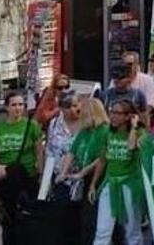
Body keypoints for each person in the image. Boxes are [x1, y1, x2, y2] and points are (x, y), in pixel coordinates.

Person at [0, 91, 44, 245]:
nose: (18, 108)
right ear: (6, 108)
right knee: (8, 220)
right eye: (14, 105)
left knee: (27, 219)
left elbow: (39, 151)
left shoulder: (32, 126)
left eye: (20, 104)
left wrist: (40, 172)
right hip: (5, 179)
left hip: (27, 177)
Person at [88, 99, 144, 245]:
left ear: (128, 116)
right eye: (111, 112)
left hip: (130, 185)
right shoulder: (107, 132)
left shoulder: (140, 133)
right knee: (102, 231)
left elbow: (131, 147)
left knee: (132, 231)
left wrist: (134, 127)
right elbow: (103, 159)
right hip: (110, 183)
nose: (112, 116)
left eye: (118, 113)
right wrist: (93, 184)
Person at [56, 98, 108, 242]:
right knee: (83, 218)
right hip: (83, 177)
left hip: (99, 177)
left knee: (93, 218)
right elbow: (71, 152)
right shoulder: (84, 132)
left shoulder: (104, 131)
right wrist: (63, 172)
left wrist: (82, 172)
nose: (79, 115)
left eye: (82, 112)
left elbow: (101, 158)